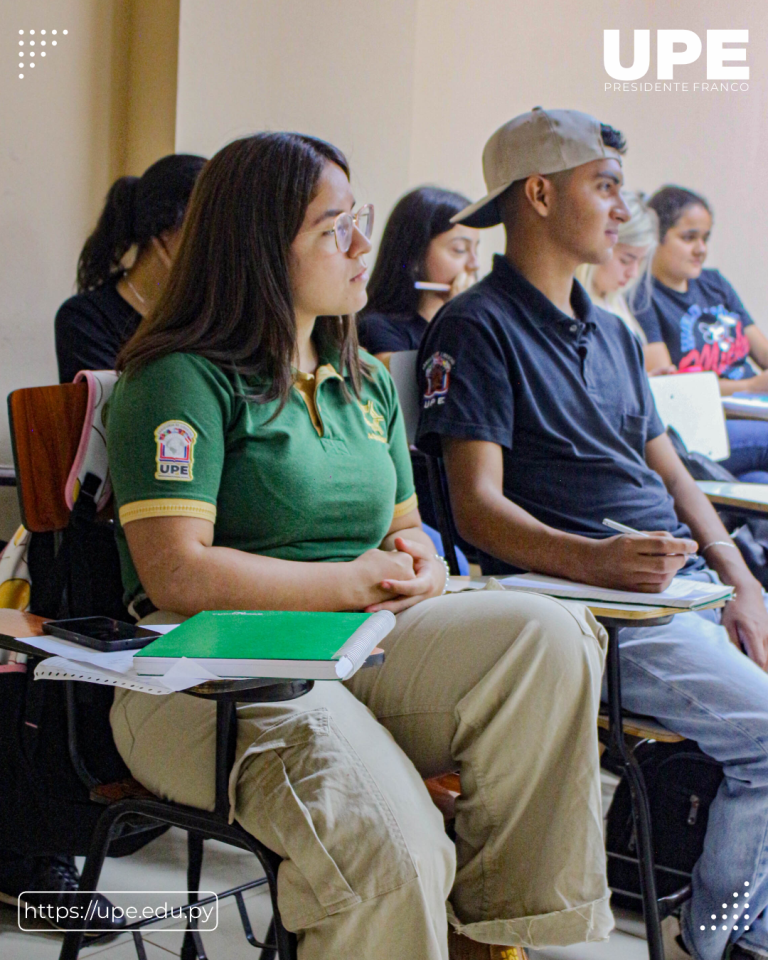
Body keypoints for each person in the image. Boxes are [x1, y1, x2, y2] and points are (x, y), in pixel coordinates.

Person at [105, 132, 612, 960]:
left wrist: (423, 561)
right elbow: (176, 571)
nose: (363, 247)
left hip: (359, 646)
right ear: (261, 248)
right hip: (212, 673)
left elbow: (403, 529)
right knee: (393, 847)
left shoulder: (365, 376)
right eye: (334, 227)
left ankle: (494, 935)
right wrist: (352, 582)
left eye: (359, 218)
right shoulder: (179, 376)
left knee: (549, 635)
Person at [416, 106, 768, 960]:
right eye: (604, 187)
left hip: (680, 587)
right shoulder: (476, 327)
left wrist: (739, 576)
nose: (620, 207)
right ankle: (717, 936)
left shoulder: (611, 332)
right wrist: (600, 562)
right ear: (539, 194)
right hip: (586, 610)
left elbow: (670, 470)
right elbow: (476, 510)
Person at [633, 185, 768, 483]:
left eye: (705, 238)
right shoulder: (643, 297)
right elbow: (670, 388)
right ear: (658, 237)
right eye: (689, 237)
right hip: (707, 426)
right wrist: (752, 385)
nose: (701, 249)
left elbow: (762, 350)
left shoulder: (714, 282)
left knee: (758, 483)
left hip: (750, 415)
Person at [55, 153, 206, 383]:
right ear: (163, 235)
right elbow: (117, 412)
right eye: (206, 229)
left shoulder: (211, 316)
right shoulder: (84, 319)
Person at [358, 187, 480, 363]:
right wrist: (459, 316)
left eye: (476, 249)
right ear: (415, 256)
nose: (474, 264)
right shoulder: (378, 328)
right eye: (459, 249)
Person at [575, 190, 663, 352]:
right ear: (599, 246)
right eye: (626, 260)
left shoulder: (615, 301)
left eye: (640, 261)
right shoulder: (572, 308)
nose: (633, 273)